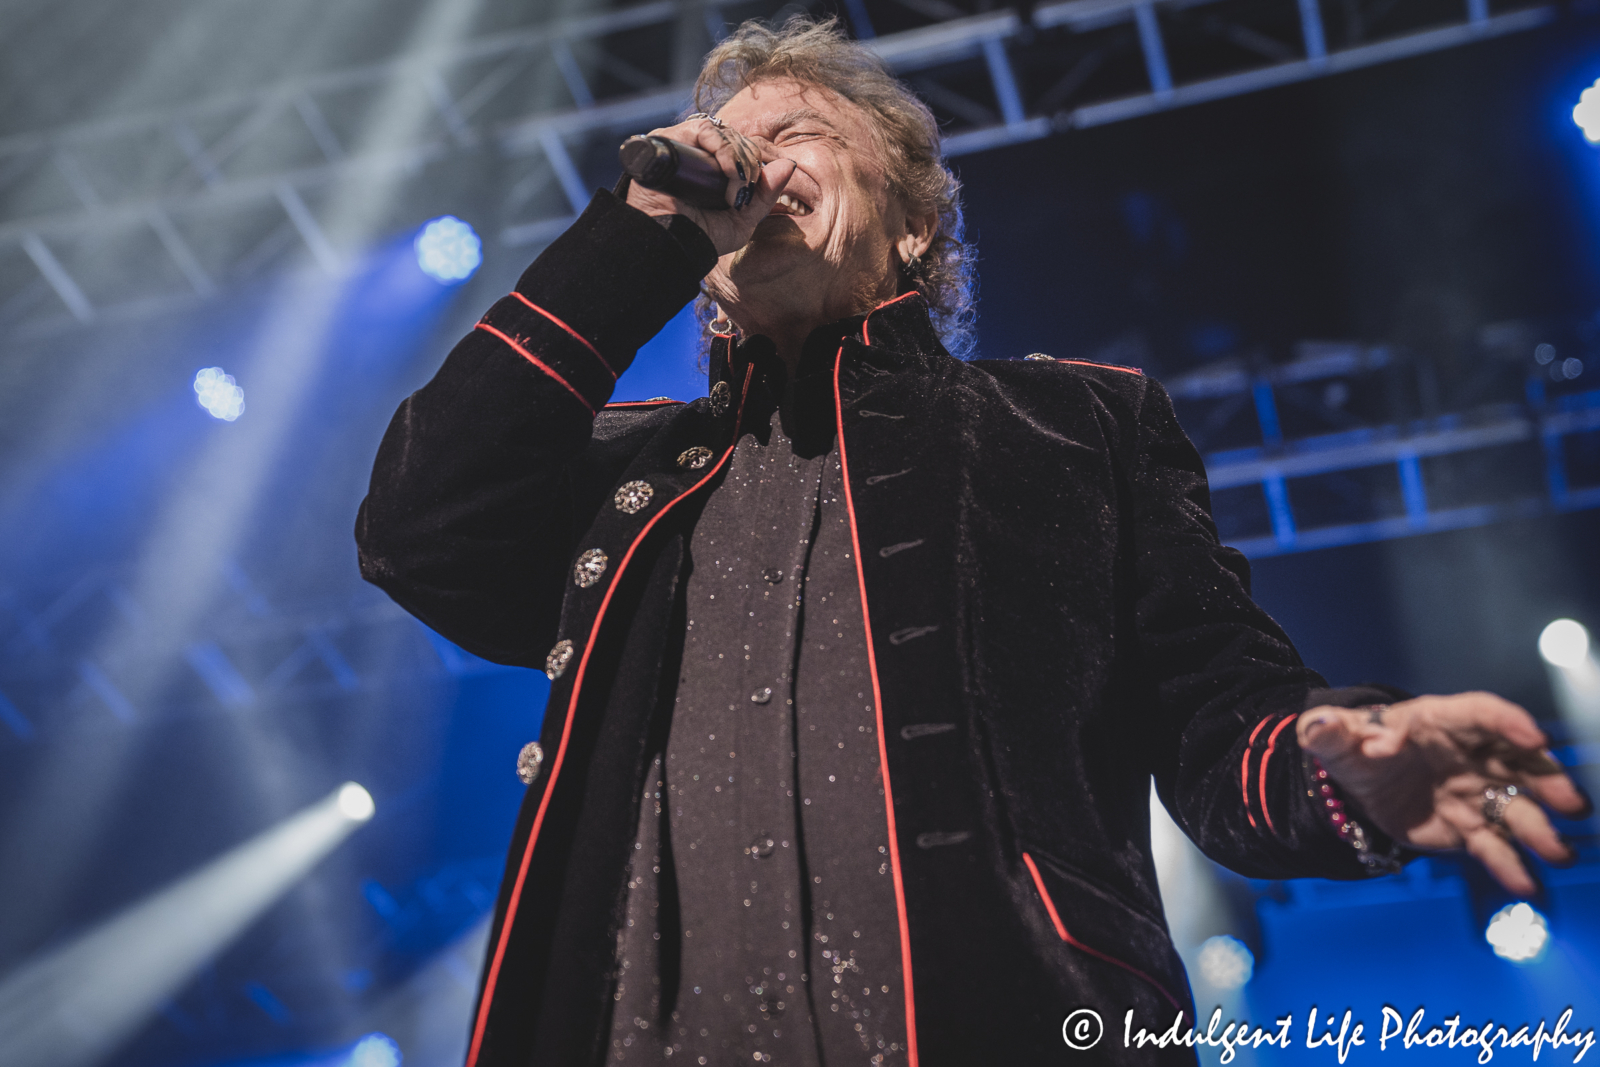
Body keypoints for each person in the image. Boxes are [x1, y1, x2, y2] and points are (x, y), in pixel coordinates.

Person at [354, 17, 1588, 1066]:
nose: (748, 155)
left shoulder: (1075, 426)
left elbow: (1220, 720)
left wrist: (1337, 761)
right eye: (732, 139)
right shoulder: (625, 475)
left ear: (909, 232)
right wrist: (644, 233)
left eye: (796, 137)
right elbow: (421, 527)